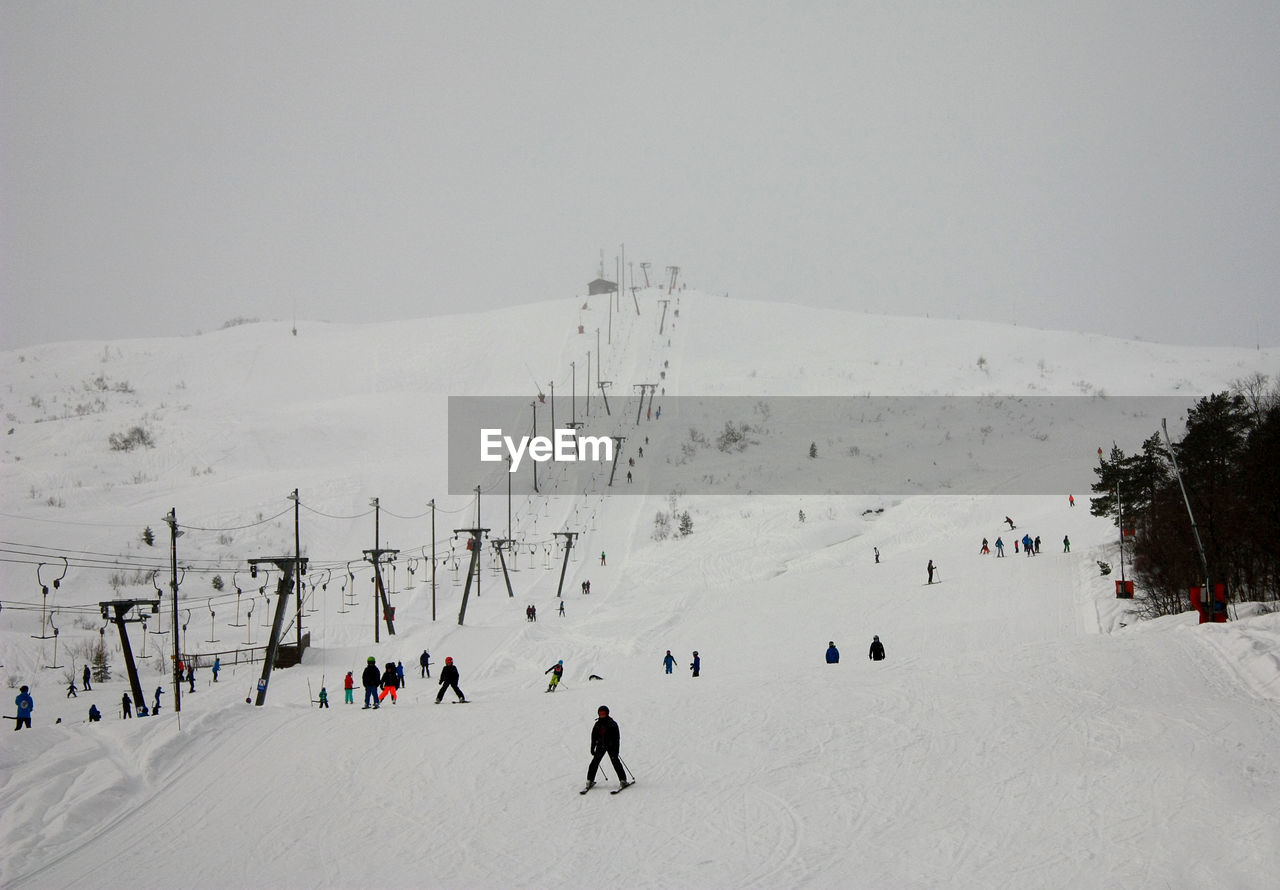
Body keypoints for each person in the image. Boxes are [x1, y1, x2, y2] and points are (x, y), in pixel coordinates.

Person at [584, 705, 629, 792]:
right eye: (600, 713)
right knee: (594, 762)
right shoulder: (597, 724)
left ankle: (623, 780)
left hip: (611, 746)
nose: (602, 715)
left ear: (607, 713)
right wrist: (593, 747)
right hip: (600, 745)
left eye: (603, 713)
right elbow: (594, 737)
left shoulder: (612, 724)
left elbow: (617, 738)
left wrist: (616, 749)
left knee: (615, 762)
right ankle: (590, 780)